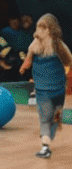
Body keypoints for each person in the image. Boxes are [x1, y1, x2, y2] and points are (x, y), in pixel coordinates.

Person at [20, 14, 70, 158]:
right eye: (39, 27)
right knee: (47, 117)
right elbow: (28, 59)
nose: (40, 30)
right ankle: (45, 146)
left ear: (50, 30)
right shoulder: (37, 45)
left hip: (56, 88)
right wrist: (24, 66)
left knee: (53, 115)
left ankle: (51, 131)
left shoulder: (57, 45)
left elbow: (68, 62)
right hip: (45, 89)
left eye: (44, 27)